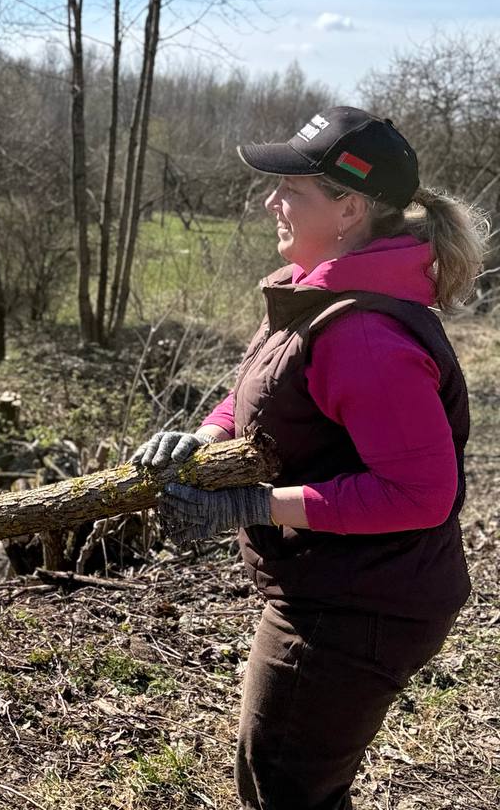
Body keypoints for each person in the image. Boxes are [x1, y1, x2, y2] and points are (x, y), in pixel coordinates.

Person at [131, 106, 488, 810]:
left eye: (292, 189)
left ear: (350, 208)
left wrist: (254, 505)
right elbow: (259, 395)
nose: (272, 201)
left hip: (361, 604)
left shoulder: (366, 335)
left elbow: (419, 494)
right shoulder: (320, 295)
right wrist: (203, 437)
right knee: (277, 778)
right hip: (335, 586)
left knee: (287, 789)